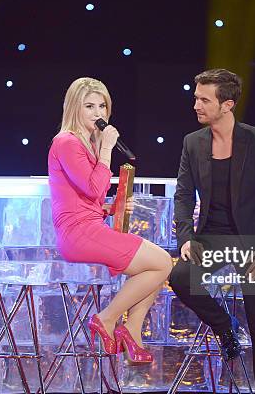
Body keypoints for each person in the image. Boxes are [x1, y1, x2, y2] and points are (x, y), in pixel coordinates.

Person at [169, 68, 255, 394]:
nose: (196, 104)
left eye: (204, 99)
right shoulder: (193, 143)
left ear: (228, 105)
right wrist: (186, 237)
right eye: (196, 97)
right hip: (212, 238)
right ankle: (225, 327)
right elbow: (183, 195)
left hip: (254, 243)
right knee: (180, 276)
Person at [48, 77, 173, 364]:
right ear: (74, 109)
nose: (97, 113)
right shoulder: (66, 142)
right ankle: (107, 319)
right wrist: (106, 150)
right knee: (162, 262)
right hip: (77, 234)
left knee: (155, 267)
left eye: (102, 105)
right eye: (89, 106)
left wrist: (110, 207)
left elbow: (86, 197)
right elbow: (92, 188)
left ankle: (132, 332)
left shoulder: (85, 144)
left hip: (89, 226)